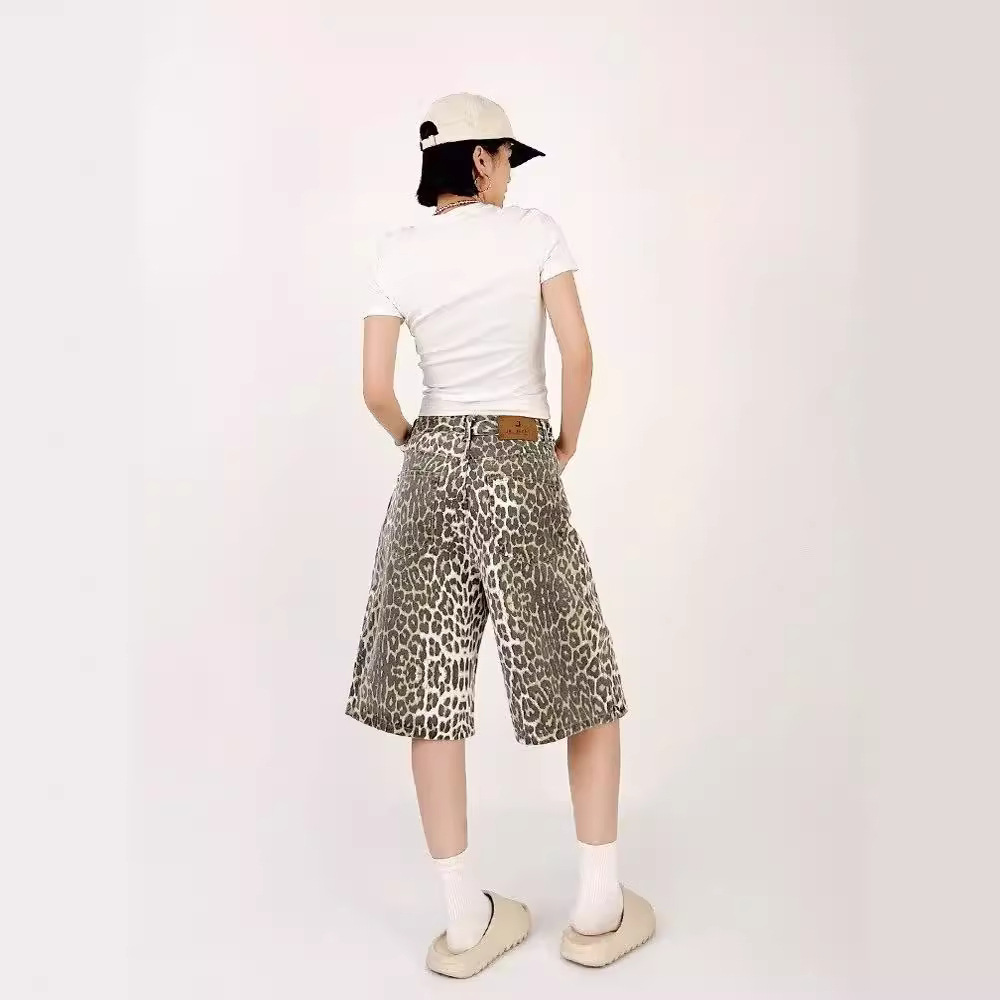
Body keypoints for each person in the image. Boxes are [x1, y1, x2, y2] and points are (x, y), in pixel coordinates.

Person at [345, 92, 655, 978]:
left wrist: (416, 442)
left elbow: (375, 389)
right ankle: (598, 908)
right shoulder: (534, 233)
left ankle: (464, 923)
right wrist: (566, 441)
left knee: (431, 687)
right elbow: (578, 353)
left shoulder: (395, 253)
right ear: (479, 160)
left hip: (430, 462)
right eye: (507, 157)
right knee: (579, 674)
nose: (511, 174)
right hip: (520, 452)